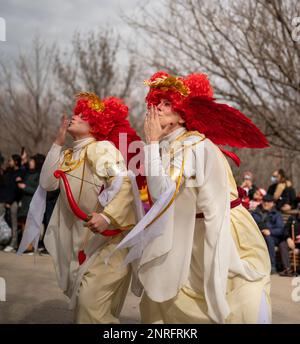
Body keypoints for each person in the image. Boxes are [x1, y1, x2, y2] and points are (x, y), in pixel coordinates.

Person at [113, 71, 271, 324]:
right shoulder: (170, 145)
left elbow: (163, 193)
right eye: (155, 103)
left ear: (182, 114)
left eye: (167, 104)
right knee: (166, 299)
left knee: (233, 297)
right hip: (191, 229)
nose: (158, 108)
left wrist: (151, 144)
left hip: (222, 229)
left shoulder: (194, 145)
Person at [18, 93, 143, 323]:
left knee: (88, 305)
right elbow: (47, 183)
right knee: (85, 311)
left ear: (95, 124)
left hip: (110, 243)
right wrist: (57, 142)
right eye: (76, 113)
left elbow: (123, 181)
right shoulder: (70, 154)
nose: (74, 116)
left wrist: (107, 217)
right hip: (84, 243)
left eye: (83, 115)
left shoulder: (100, 149)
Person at [17, 154, 45, 253]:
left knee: (31, 225)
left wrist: (25, 187)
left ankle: (30, 247)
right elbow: (21, 168)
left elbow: (37, 190)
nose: (30, 163)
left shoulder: (39, 174)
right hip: (24, 202)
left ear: (36, 163)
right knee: (24, 224)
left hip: (33, 203)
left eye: (32, 161)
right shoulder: (28, 173)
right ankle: (25, 246)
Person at [251, 194, 284, 274]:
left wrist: (270, 231)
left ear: (272, 203)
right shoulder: (255, 212)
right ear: (262, 202)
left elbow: (280, 230)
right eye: (265, 201)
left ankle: (272, 266)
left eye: (269, 202)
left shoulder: (276, 214)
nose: (266, 203)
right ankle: (253, 266)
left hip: (273, 237)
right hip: (258, 235)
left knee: (268, 238)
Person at [278, 212, 300, 277]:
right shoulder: (292, 218)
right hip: (292, 241)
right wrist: (288, 238)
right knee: (282, 244)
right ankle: (287, 269)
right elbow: (285, 230)